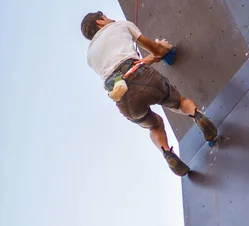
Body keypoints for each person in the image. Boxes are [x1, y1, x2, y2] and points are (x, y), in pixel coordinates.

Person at [80, 12, 217, 176]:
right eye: (106, 17)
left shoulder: (90, 56)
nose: (111, 19)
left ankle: (167, 153)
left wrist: (149, 59)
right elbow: (155, 50)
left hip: (121, 95)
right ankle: (197, 116)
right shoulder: (121, 25)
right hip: (141, 74)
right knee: (179, 103)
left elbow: (115, 65)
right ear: (100, 21)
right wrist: (163, 49)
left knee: (155, 125)